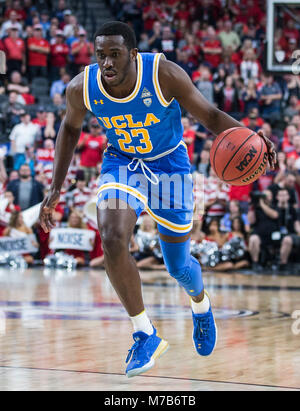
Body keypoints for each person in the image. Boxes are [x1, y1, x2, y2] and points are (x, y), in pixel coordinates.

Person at [39, 21, 276, 378]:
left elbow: (210, 115)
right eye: (100, 55)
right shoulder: (82, 87)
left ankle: (200, 304)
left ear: (133, 54)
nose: (106, 63)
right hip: (123, 164)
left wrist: (252, 138)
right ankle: (144, 332)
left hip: (170, 168)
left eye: (115, 54)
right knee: (113, 237)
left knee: (178, 266)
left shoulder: (163, 73)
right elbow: (70, 128)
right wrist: (55, 188)